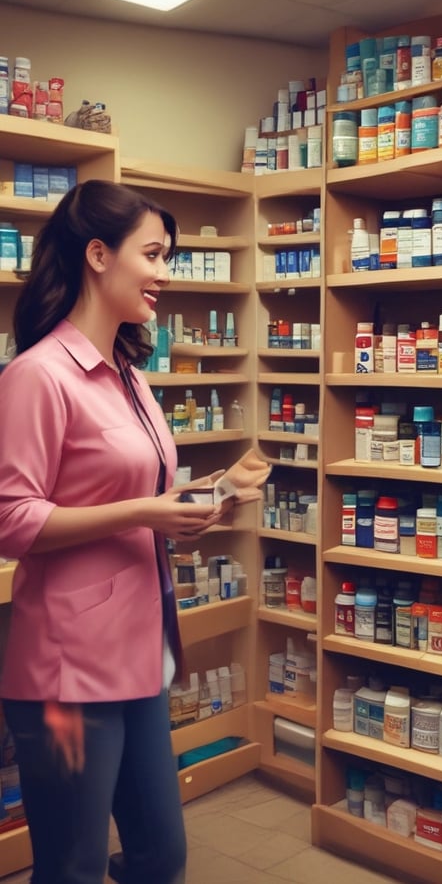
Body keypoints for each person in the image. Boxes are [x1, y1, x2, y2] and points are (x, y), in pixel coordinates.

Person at [0, 180, 270, 884]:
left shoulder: (131, 376)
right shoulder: (37, 377)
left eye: (169, 257)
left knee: (159, 857)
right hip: (64, 678)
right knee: (71, 865)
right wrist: (148, 513)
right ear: (97, 254)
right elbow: (11, 519)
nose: (164, 272)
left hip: (141, 659)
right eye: (152, 254)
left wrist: (200, 504)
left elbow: (139, 500)